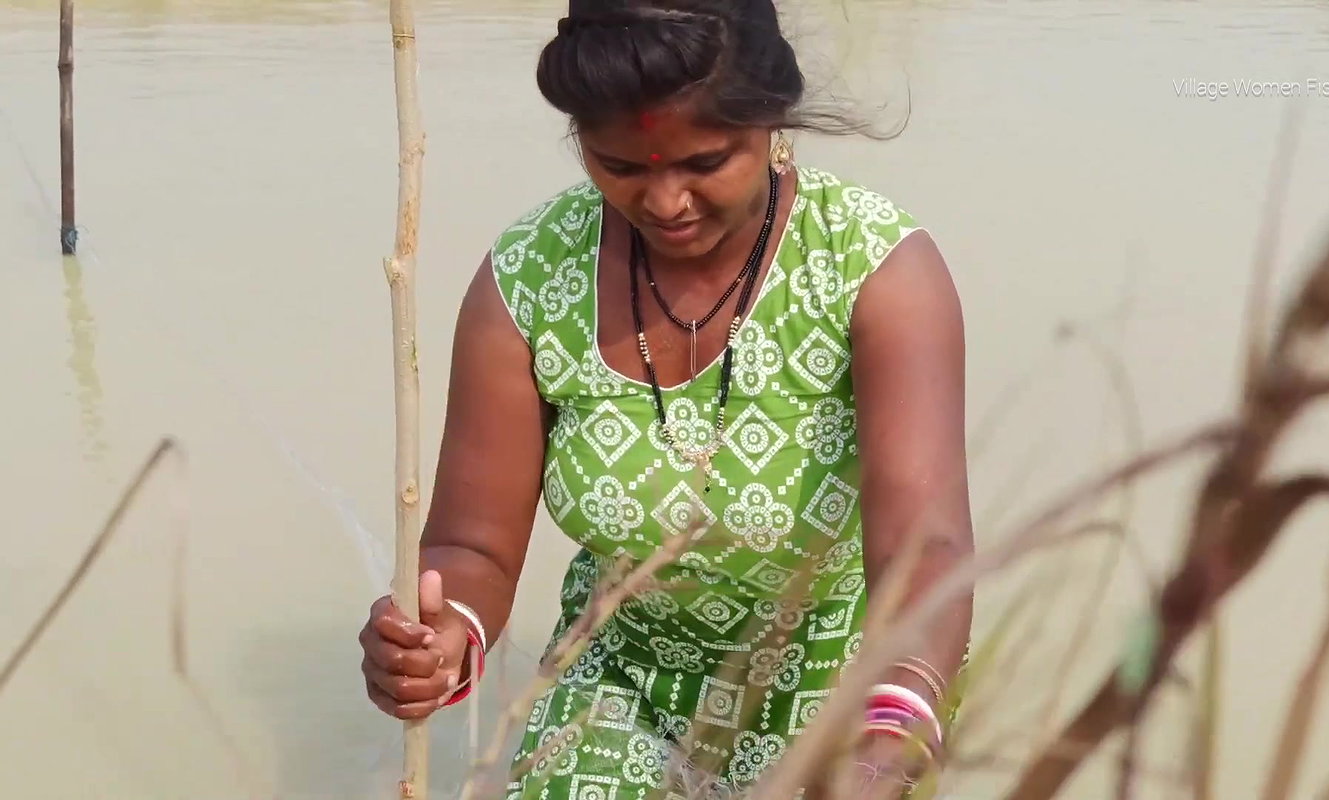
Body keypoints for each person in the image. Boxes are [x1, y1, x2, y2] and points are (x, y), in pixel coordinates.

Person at [357, 1, 974, 797]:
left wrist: (887, 740)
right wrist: (440, 637)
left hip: (848, 688)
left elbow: (926, 553)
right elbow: (473, 550)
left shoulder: (876, 272)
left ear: (772, 121)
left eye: (707, 162)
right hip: (620, 687)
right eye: (622, 167)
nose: (666, 203)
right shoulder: (528, 280)